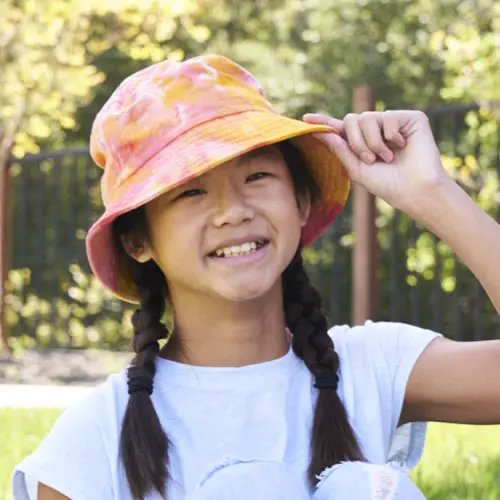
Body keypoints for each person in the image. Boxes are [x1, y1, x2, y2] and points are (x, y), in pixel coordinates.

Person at [11, 54, 500, 500]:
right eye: (190, 193)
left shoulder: (371, 369)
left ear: (300, 202)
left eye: (257, 177)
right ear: (139, 241)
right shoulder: (95, 434)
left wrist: (434, 195)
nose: (232, 211)